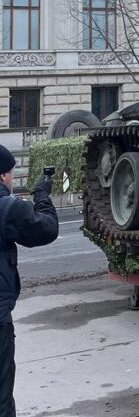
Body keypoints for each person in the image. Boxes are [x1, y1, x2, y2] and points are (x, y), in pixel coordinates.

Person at [0, 146, 58, 417]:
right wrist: (41, 196)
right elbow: (45, 228)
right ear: (2, 176)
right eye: (11, 173)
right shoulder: (8, 209)